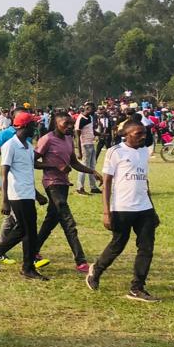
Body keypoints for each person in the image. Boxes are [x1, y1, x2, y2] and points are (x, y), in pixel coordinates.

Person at [86, 119, 160, 301]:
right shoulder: (115, 152)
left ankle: (137, 287)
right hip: (122, 208)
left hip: (144, 208)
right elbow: (107, 183)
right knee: (118, 244)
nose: (143, 137)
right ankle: (96, 270)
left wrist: (153, 208)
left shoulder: (143, 151)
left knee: (146, 248)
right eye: (138, 134)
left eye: (144, 133)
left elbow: (144, 181)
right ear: (126, 135)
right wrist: (106, 212)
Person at [33, 112, 102, 273]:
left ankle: (31, 250)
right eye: (66, 124)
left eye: (71, 124)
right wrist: (55, 166)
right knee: (68, 222)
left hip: (63, 184)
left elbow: (74, 163)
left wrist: (92, 171)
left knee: (51, 220)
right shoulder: (47, 139)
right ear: (56, 124)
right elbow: (33, 161)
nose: (70, 126)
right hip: (51, 184)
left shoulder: (69, 139)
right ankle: (81, 260)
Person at [0, 111, 48, 280]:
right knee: (29, 232)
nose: (36, 127)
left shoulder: (27, 146)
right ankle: (27, 268)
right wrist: (4, 200)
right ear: (25, 126)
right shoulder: (10, 145)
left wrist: (37, 194)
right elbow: (4, 173)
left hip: (27, 193)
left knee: (21, 230)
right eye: (33, 124)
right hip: (17, 194)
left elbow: (28, 171)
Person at [74, 103, 100, 194]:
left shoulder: (90, 117)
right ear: (87, 108)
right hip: (84, 145)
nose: (94, 111)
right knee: (84, 167)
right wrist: (79, 151)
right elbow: (77, 136)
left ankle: (93, 187)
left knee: (92, 166)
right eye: (93, 109)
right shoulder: (80, 119)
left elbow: (91, 130)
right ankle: (80, 188)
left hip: (91, 143)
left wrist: (101, 134)